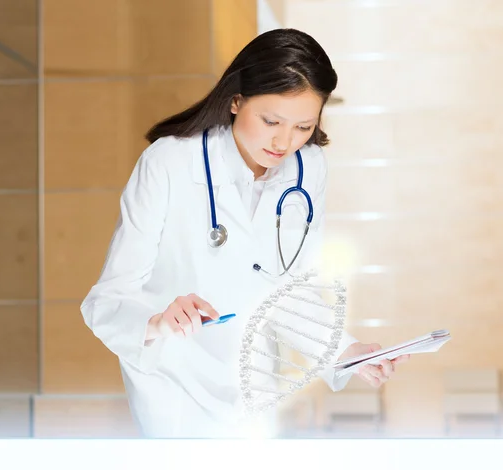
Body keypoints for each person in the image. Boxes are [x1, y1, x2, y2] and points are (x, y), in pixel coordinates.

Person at [80, 28, 409, 438]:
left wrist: (347, 352)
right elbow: (106, 300)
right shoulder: (169, 162)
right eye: (271, 121)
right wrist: (159, 321)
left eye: (304, 127)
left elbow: (292, 290)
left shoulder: (308, 168)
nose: (284, 142)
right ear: (236, 100)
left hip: (254, 385)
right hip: (174, 389)